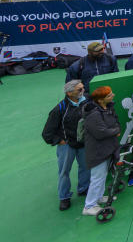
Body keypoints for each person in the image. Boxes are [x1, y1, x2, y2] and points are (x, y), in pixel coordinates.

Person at [42, 80, 89, 211]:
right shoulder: (59, 109)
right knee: (64, 172)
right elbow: (47, 133)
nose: (83, 91)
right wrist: (60, 141)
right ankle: (64, 197)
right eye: (79, 89)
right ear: (69, 93)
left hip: (83, 143)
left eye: (83, 88)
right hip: (67, 145)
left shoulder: (86, 102)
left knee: (85, 167)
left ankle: (84, 189)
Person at [80, 86, 121, 216]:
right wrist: (116, 131)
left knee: (102, 176)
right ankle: (89, 206)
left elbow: (114, 122)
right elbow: (100, 132)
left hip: (107, 148)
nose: (113, 95)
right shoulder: (94, 115)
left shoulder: (107, 108)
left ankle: (98, 198)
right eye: (109, 95)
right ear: (101, 100)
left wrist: (115, 129)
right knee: (97, 178)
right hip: (98, 151)